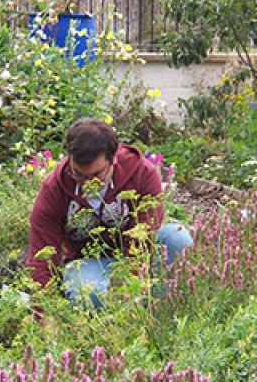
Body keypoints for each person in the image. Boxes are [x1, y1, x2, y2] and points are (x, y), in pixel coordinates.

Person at [27, 118, 192, 309]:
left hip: (138, 255)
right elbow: (41, 257)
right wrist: (44, 312)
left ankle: (159, 316)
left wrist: (128, 284)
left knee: (176, 237)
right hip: (90, 263)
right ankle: (138, 314)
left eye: (96, 176)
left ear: (113, 160)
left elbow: (145, 233)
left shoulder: (141, 174)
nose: (87, 183)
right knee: (88, 293)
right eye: (78, 175)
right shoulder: (54, 189)